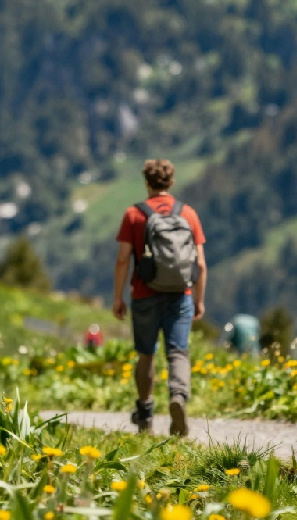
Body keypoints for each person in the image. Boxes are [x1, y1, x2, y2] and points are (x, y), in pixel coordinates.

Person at [113, 159, 207, 437]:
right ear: (171, 182)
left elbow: (123, 259)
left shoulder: (134, 214)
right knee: (178, 351)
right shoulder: (188, 213)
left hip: (144, 294)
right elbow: (200, 264)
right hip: (181, 294)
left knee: (146, 354)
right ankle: (178, 396)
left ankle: (145, 415)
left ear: (147, 182)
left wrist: (118, 297)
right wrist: (199, 300)